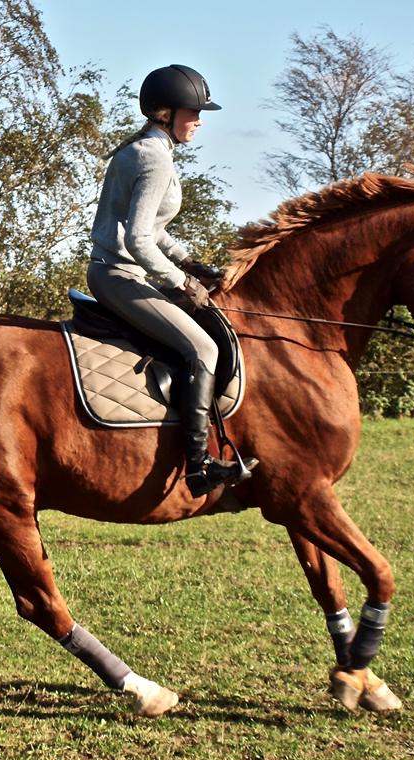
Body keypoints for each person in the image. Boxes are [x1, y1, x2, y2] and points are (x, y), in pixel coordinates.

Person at [87, 63, 257, 497]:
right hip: (118, 275)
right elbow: (140, 239)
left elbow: (153, 227)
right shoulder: (153, 158)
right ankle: (199, 468)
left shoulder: (147, 149)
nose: (199, 120)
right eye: (192, 111)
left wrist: (191, 262)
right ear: (165, 113)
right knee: (202, 347)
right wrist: (181, 282)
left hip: (121, 269)